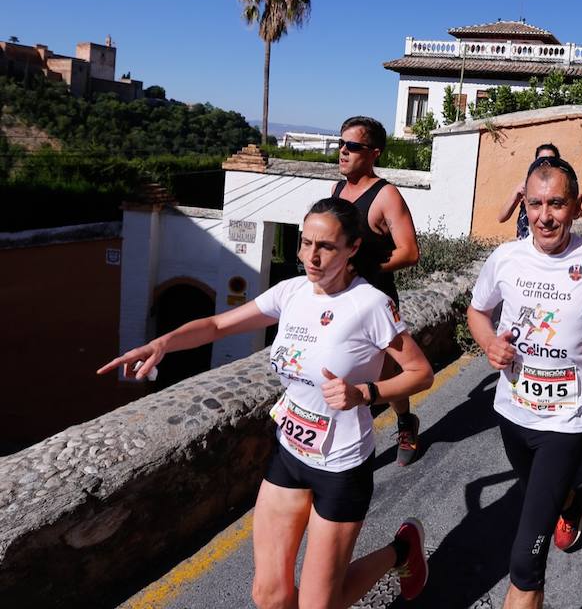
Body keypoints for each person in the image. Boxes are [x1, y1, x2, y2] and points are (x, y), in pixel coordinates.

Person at [99, 198, 435, 608]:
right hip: (290, 453)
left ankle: (400, 551)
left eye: (326, 246)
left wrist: (365, 394)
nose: (311, 255)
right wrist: (161, 344)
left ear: (352, 249)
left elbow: (421, 372)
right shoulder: (291, 292)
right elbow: (219, 324)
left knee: (318, 605)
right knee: (270, 595)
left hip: (342, 465)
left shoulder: (370, 305)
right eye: (305, 242)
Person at [468, 155, 582, 609]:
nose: (544, 216)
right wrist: (490, 343)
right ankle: (574, 499)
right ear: (523, 205)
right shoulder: (505, 258)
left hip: (568, 420)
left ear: (576, 206)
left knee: (526, 559)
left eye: (556, 204)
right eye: (535, 204)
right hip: (513, 411)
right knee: (539, 496)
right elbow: (477, 311)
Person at [331, 116, 423, 466]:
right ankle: (347, 440)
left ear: (373, 153)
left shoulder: (386, 196)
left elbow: (410, 252)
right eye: (340, 143)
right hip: (341, 299)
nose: (343, 151)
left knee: (386, 372)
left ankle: (405, 422)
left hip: (377, 301)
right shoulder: (338, 191)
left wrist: (366, 270)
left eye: (352, 146)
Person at [498, 144, 562, 240]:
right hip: (524, 245)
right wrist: (516, 195)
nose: (546, 163)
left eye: (551, 160)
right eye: (541, 160)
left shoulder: (562, 187)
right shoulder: (526, 186)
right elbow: (501, 218)